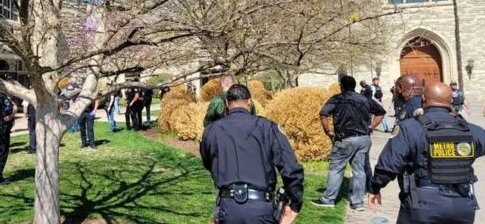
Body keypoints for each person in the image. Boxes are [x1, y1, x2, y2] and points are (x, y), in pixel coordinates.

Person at [368, 82, 485, 223]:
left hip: (423, 203)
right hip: (462, 204)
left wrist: (375, 187)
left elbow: (390, 164)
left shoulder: (410, 128)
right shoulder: (472, 130)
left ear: (423, 99)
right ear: (452, 101)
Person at [200, 84, 304, 224]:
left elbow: (208, 162)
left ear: (226, 103)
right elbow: (290, 168)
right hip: (261, 209)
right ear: (250, 102)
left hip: (228, 208)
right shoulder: (267, 128)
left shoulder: (212, 131)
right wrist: (294, 204)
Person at [312, 75, 386, 211]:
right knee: (359, 170)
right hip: (363, 139)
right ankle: (357, 203)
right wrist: (371, 126)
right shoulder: (364, 99)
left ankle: (328, 199)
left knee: (336, 169)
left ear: (342, 86)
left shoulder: (338, 99)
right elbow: (381, 112)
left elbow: (323, 114)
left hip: (345, 139)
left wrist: (328, 131)